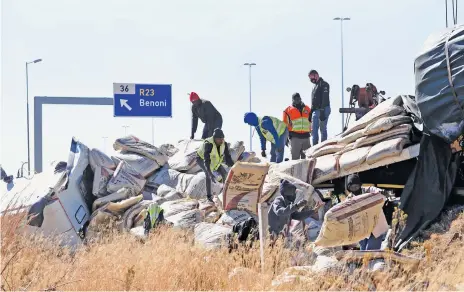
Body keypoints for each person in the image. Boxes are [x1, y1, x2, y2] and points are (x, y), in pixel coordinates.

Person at [345, 173, 389, 250]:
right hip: (361, 230)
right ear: (349, 188)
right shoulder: (349, 200)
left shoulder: (369, 190)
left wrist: (382, 192)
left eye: (356, 186)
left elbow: (378, 191)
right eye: (352, 187)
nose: (355, 189)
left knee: (370, 251)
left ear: (360, 185)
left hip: (376, 227)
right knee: (363, 251)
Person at [196, 128, 234, 202]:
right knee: (208, 175)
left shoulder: (224, 144)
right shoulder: (208, 144)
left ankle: (224, 192)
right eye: (219, 139)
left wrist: (235, 166)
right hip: (201, 159)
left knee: (224, 173)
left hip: (215, 160)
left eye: (222, 139)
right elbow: (206, 160)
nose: (221, 141)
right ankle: (209, 196)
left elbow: (228, 157)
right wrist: (210, 173)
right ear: (214, 139)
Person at [283, 93, 312, 160]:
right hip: (295, 138)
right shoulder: (287, 110)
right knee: (295, 160)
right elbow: (284, 125)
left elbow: (311, 121)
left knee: (307, 159)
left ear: (300, 98)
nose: (297, 100)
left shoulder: (307, 109)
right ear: (292, 100)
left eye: (298, 98)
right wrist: (285, 137)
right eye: (295, 99)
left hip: (306, 138)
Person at [308, 70, 331, 146]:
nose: (312, 80)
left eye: (312, 77)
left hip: (324, 109)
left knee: (323, 128)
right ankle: (315, 147)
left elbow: (325, 98)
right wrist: (310, 113)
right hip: (315, 110)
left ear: (316, 75)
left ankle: (323, 146)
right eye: (310, 79)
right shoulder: (314, 87)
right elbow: (313, 101)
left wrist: (322, 110)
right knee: (314, 130)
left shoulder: (324, 84)